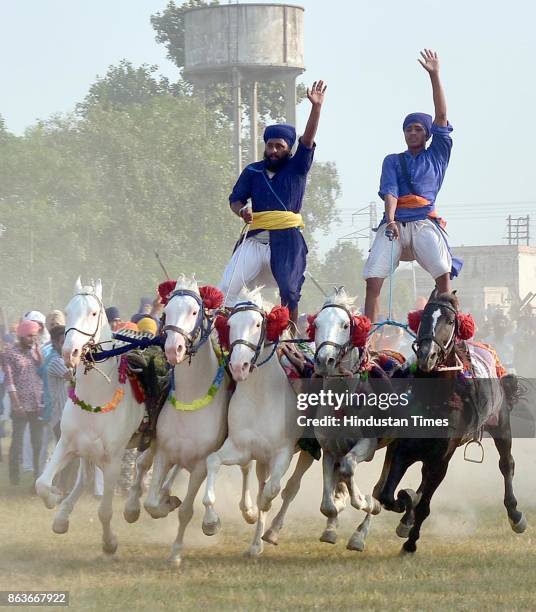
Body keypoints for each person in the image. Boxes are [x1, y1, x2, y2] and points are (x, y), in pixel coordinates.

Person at [219, 80, 327, 323]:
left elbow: (308, 140)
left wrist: (316, 108)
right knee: (226, 288)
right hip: (256, 237)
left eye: (280, 146)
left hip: (287, 239)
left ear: (289, 150)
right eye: (270, 145)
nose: (274, 151)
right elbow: (235, 200)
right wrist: (242, 212)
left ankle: (287, 336)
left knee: (289, 291)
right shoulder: (253, 171)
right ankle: (226, 335)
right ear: (265, 146)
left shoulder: (297, 167)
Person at [364, 50, 459, 324]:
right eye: (408, 129)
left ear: (427, 133)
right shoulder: (392, 160)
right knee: (373, 277)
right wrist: (391, 220)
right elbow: (390, 192)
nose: (413, 133)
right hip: (395, 224)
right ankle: (367, 337)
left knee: (443, 271)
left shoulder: (437, 154)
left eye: (418, 129)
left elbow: (441, 114)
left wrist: (434, 75)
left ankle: (446, 328)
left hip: (424, 223)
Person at [2, 320, 44, 485]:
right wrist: (16, 404)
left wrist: (39, 353)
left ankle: (37, 475)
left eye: (35, 336)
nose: (33, 339)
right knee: (17, 442)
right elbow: (9, 381)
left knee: (37, 443)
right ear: (20, 336)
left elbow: (42, 372)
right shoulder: (10, 354)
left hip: (36, 405)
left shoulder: (35, 352)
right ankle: (14, 477)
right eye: (29, 336)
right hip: (19, 405)